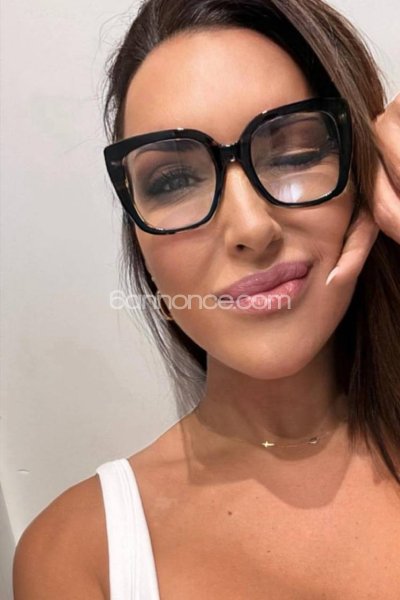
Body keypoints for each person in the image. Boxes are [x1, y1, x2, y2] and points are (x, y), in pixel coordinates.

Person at [13, 0, 400, 598]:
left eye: (296, 154)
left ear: (363, 176)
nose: (251, 228)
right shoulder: (78, 554)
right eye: (173, 181)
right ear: (140, 241)